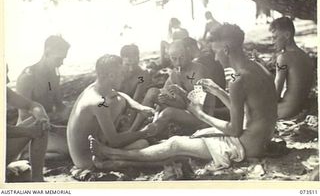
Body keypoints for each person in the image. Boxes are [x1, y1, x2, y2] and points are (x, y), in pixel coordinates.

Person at [88, 24, 278, 171]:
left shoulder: (238, 79)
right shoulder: (256, 68)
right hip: (260, 140)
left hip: (246, 145)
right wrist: (219, 92)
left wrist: (201, 115)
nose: (215, 58)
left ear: (226, 49)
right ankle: (124, 156)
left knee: (175, 143)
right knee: (189, 141)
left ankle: (112, 153)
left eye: (215, 52)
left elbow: (235, 130)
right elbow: (248, 110)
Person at [67, 54, 156, 169]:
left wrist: (139, 107)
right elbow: (115, 141)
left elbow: (119, 94)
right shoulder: (98, 103)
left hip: (90, 148)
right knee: (143, 144)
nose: (123, 78)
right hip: (88, 160)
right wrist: (145, 132)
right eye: (121, 74)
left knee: (118, 100)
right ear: (111, 76)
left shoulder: (94, 88)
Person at [141, 39, 216, 137]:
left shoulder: (198, 71)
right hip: (187, 110)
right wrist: (162, 103)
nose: (178, 62)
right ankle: (134, 129)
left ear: (188, 53)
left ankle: (147, 135)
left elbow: (198, 107)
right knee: (152, 92)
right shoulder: (176, 72)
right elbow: (162, 94)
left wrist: (181, 93)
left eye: (182, 57)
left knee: (169, 112)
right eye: (174, 59)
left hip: (203, 117)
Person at [16, 35, 70, 159]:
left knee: (82, 139)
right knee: (71, 149)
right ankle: (25, 153)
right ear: (47, 52)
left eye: (63, 59)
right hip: (29, 130)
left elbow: (58, 105)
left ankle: (36, 153)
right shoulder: (28, 77)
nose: (61, 63)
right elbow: (24, 116)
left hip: (49, 126)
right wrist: (53, 120)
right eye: (58, 59)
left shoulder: (54, 75)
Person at [7, 67, 49, 182]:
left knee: (41, 124)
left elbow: (32, 105)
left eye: (7, 73)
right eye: (3, 75)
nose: (7, 80)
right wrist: (29, 131)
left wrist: (41, 116)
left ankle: (37, 179)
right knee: (36, 128)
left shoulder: (4, 91)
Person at [269, 17, 314, 119]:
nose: (272, 41)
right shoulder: (305, 56)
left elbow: (276, 93)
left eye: (275, 37)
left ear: (287, 35)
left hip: (284, 111)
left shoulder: (283, 58)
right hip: (299, 108)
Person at [119, 45, 152, 131]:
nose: (131, 69)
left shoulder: (142, 75)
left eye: (134, 64)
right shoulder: (117, 74)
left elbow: (136, 100)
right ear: (121, 61)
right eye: (127, 65)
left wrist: (129, 124)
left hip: (132, 106)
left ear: (138, 59)